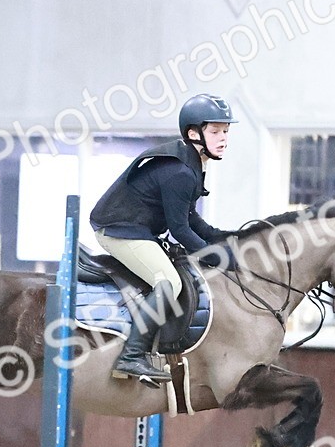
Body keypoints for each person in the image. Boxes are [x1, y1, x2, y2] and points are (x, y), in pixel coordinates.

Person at [89, 93, 238, 385]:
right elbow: (180, 230)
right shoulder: (181, 171)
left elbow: (191, 217)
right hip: (118, 230)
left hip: (138, 229)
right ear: (194, 133)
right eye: (215, 131)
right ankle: (131, 357)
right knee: (169, 282)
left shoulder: (192, 162)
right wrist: (217, 257)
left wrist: (224, 238)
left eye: (226, 132)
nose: (223, 139)